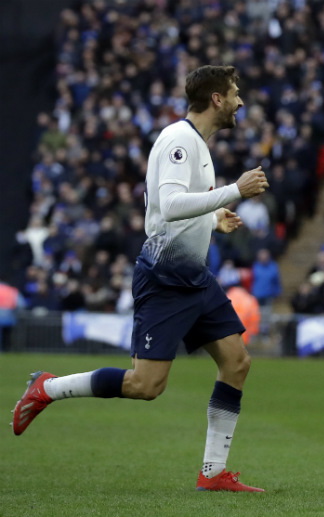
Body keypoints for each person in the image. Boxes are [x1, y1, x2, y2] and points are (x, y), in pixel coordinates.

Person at [12, 65, 270, 493]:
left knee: (237, 362)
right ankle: (48, 388)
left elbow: (176, 208)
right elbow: (168, 207)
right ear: (217, 99)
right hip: (165, 279)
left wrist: (210, 219)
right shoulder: (180, 140)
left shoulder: (199, 146)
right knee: (145, 385)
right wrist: (233, 191)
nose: (241, 101)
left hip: (195, 277)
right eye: (236, 93)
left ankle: (213, 473)